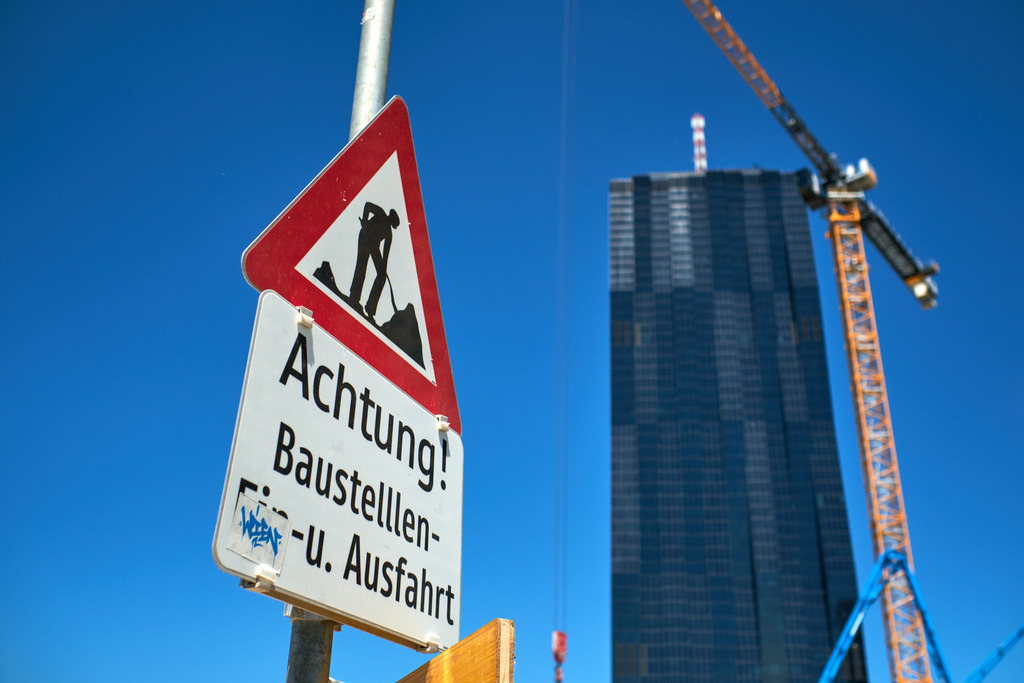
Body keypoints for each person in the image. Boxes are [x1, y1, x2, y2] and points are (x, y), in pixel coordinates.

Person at [347, 201, 400, 323]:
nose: (390, 222)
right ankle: (354, 297)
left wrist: (383, 270)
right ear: (390, 216)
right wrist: (365, 221)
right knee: (362, 266)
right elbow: (367, 205)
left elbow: (385, 256)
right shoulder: (381, 213)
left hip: (374, 246)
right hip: (365, 237)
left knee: (381, 277)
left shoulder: (389, 234)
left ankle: (370, 308)